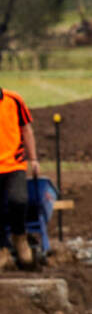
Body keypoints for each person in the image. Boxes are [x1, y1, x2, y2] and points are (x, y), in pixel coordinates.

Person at [0, 85, 39, 271]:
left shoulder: (13, 100)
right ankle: (2, 249)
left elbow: (26, 130)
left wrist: (33, 159)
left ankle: (19, 237)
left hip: (14, 164)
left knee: (19, 200)